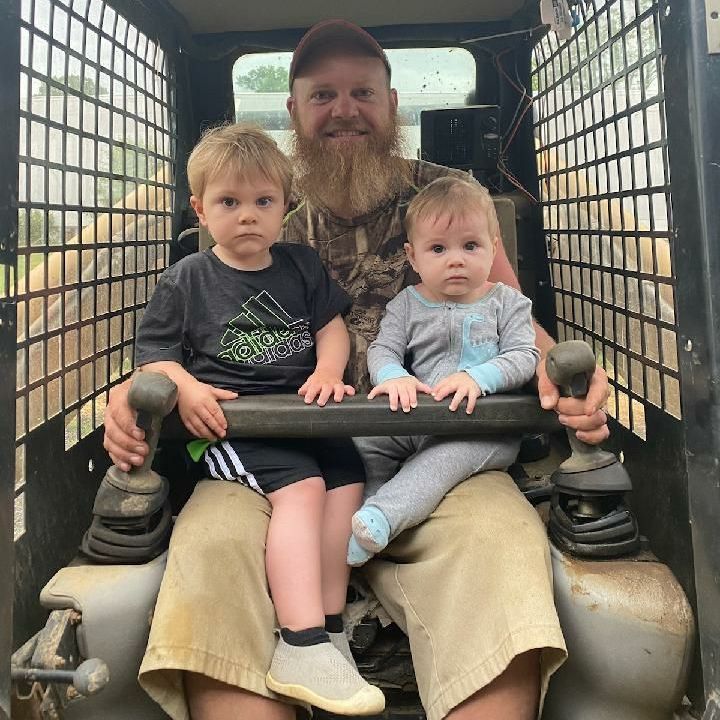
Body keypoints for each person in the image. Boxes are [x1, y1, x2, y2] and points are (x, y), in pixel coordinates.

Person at [103, 19, 612, 720]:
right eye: (323, 95)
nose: (344, 110)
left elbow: (510, 315)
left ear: (391, 104)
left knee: (500, 541)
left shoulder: (450, 198)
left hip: (438, 448)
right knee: (212, 548)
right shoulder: (260, 214)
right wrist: (132, 393)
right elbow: (173, 343)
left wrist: (557, 368)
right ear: (294, 112)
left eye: (363, 92)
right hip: (275, 455)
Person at [132, 124, 384, 715]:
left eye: (263, 201)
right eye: (229, 202)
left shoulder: (300, 264)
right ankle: (300, 642)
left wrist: (328, 371)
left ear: (286, 206)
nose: (248, 215)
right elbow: (155, 357)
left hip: (304, 417)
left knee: (347, 480)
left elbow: (330, 328)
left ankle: (331, 630)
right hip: (235, 425)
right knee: (303, 489)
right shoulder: (189, 278)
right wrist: (187, 387)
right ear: (200, 210)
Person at [348, 175, 540, 566]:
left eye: (470, 246)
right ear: (413, 257)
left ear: (493, 248)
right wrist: (394, 376)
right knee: (363, 442)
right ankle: (369, 501)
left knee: (438, 463)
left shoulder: (507, 303)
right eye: (438, 248)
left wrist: (478, 378)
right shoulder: (407, 304)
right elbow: (383, 349)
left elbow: (524, 355)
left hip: (479, 427)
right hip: (418, 418)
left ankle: (383, 517)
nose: (456, 259)